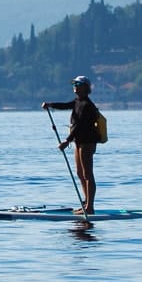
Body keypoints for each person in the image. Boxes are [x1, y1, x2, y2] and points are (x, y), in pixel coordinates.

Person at [42, 75, 99, 214]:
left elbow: (79, 125)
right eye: (74, 84)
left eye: (77, 84)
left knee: (87, 174)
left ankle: (90, 207)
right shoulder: (77, 101)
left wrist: (66, 141)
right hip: (78, 142)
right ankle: (86, 203)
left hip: (87, 142)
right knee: (80, 173)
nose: (74, 86)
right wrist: (50, 105)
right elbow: (66, 105)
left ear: (85, 87)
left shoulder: (86, 105)